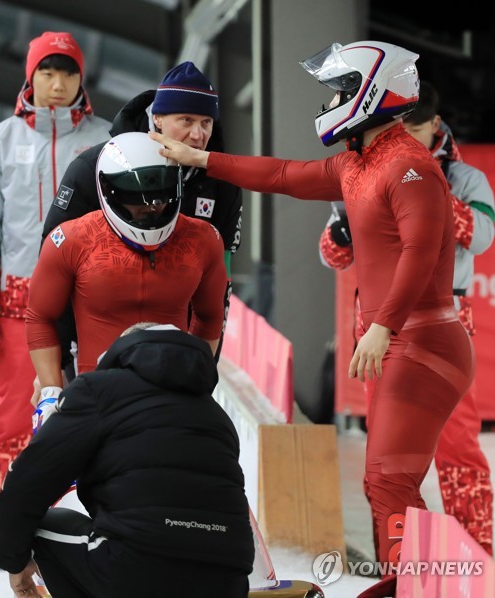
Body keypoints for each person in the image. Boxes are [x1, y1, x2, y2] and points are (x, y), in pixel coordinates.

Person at [149, 41, 476, 598]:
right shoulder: (361, 162)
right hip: (406, 343)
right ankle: (421, 586)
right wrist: (201, 160)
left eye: (340, 90)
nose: (331, 101)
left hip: (421, 342)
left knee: (388, 482)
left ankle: (429, 587)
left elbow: (422, 252)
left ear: (372, 92)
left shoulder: (410, 165)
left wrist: (382, 325)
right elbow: (282, 173)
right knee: (389, 485)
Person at [319, 80, 495, 556]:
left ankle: (476, 557)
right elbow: (331, 256)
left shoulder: (463, 178)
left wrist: (423, 185)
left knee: (457, 446)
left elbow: (481, 237)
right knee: (386, 456)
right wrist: (342, 226)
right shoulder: (364, 168)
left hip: (441, 316)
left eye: (413, 129)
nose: (404, 139)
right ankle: (396, 563)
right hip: (375, 321)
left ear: (434, 125)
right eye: (397, 128)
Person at [0, 322, 254, 598]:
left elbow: (30, 479)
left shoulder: (100, 390)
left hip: (135, 568)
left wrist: (11, 558)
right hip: (229, 578)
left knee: (35, 527)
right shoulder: (218, 418)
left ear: (121, 352)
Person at [41, 60, 242, 377]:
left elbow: (221, 284)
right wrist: (60, 367)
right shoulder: (95, 166)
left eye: (206, 122)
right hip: (95, 343)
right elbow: (54, 264)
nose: (197, 133)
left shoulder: (223, 184)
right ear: (158, 119)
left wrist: (203, 370)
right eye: (186, 120)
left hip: (174, 346)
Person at [26, 131, 227, 424]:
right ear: (109, 191)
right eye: (137, 199)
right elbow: (40, 316)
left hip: (170, 399)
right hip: (96, 398)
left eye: (161, 198)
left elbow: (210, 317)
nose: (151, 208)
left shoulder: (205, 240)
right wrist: (50, 390)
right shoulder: (68, 241)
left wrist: (195, 375)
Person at [0, 31, 111, 495]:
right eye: (47, 70)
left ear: (81, 78)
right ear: (31, 75)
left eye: (68, 72)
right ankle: (9, 514)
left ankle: (77, 512)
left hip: (89, 294)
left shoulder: (105, 138)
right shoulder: (2, 140)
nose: (58, 82)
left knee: (86, 403)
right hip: (19, 296)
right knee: (12, 408)